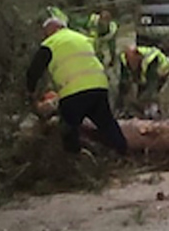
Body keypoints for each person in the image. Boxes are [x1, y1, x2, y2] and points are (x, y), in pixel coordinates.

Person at [26, 17, 128, 156]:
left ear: (51, 30)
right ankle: (122, 152)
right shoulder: (82, 38)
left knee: (68, 127)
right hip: (98, 86)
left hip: (73, 91)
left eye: (45, 33)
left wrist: (31, 92)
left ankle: (74, 159)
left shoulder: (51, 43)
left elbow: (34, 71)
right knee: (107, 123)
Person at [117, 45, 169, 118]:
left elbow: (151, 84)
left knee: (150, 91)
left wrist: (142, 99)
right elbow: (124, 81)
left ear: (138, 56)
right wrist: (121, 101)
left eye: (133, 61)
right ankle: (139, 110)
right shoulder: (124, 59)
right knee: (139, 89)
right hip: (143, 71)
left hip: (162, 71)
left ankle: (153, 110)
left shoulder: (150, 60)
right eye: (130, 61)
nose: (131, 64)